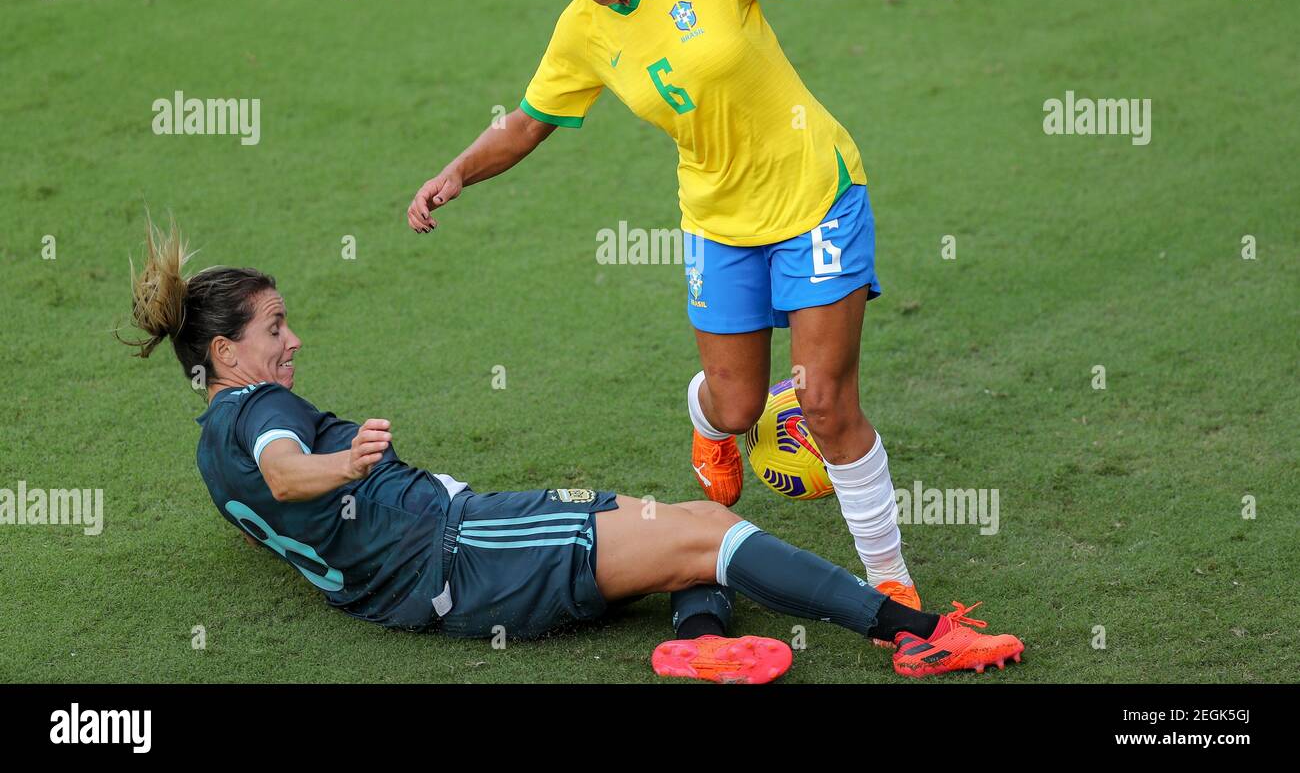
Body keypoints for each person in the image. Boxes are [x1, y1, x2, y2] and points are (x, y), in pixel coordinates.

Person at [405, 0, 1043, 628]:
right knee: (739, 404)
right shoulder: (584, 31)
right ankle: (711, 427)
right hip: (718, 222)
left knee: (825, 403)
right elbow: (531, 122)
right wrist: (460, 171)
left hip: (815, 198)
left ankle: (891, 582)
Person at [119, 217, 1024, 682]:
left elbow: (263, 509)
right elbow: (286, 471)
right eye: (276, 327)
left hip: (440, 560)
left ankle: (700, 641)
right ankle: (917, 636)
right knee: (705, 529)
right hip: (460, 554)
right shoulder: (260, 414)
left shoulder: (211, 446)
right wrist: (348, 465)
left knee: (674, 525)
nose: (292, 341)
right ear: (227, 354)